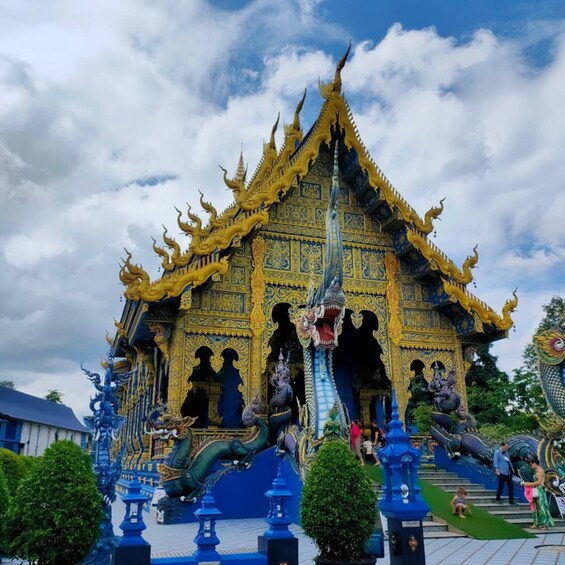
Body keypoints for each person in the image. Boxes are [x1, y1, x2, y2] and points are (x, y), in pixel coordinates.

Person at [521, 455, 554, 530]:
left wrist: (528, 484)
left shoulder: (540, 471)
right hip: (535, 490)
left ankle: (546, 524)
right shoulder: (536, 470)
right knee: (535, 507)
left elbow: (539, 482)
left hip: (540, 491)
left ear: (535, 463)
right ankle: (536, 523)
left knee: (542, 507)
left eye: (531, 464)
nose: (531, 466)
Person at [493, 441, 516, 505]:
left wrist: (512, 468)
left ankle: (511, 500)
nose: (506, 449)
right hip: (501, 472)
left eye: (507, 448)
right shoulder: (497, 452)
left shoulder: (507, 453)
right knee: (501, 486)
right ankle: (498, 497)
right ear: (502, 446)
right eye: (505, 447)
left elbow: (509, 461)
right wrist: (497, 470)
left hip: (508, 472)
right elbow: (495, 462)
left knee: (511, 486)